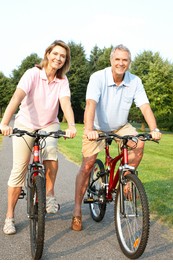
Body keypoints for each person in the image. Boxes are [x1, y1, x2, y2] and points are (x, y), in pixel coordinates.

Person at [71, 44, 162, 231]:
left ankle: (127, 179)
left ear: (129, 62)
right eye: (117, 59)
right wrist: (89, 129)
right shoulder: (98, 77)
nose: (121, 63)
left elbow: (144, 106)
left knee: (138, 144)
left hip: (121, 126)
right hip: (96, 127)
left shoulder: (135, 81)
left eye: (125, 60)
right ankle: (77, 211)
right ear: (111, 60)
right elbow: (90, 104)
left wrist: (154, 128)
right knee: (88, 165)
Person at [0, 40, 77, 235]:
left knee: (50, 150)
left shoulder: (62, 81)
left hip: (48, 124)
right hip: (25, 123)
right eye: (56, 54)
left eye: (63, 56)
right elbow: (16, 98)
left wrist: (71, 125)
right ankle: (9, 217)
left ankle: (49, 195)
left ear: (65, 61)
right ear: (48, 53)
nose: (58, 58)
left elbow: (65, 104)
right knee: (19, 169)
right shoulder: (32, 74)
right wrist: (4, 123)